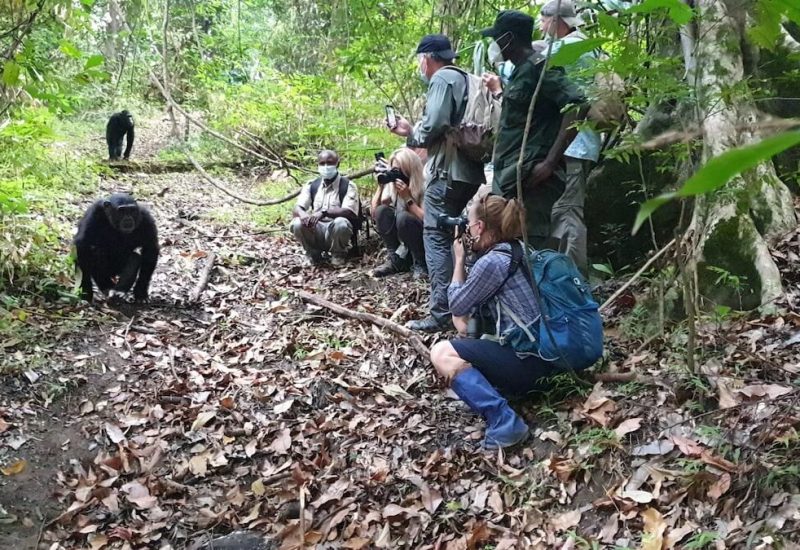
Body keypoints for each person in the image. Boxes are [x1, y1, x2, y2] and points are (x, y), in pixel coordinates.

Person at [430, 195, 550, 450]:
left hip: (531, 363)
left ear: (480, 227)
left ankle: (505, 422)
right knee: (464, 328)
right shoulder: (521, 249)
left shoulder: (493, 262)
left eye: (470, 223)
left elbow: (457, 305)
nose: (467, 228)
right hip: (553, 356)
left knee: (441, 352)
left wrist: (459, 259)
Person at [389, 34, 485, 333]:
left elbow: (435, 124)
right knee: (451, 233)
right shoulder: (468, 78)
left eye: (421, 60)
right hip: (469, 170)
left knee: (435, 236)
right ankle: (462, 302)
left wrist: (411, 132)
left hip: (448, 170)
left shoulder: (443, 78)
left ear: (427, 58)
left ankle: (442, 312)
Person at [481, 10, 586, 249]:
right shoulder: (520, 72)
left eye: (497, 38)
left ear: (508, 38)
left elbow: (578, 105)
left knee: (531, 243)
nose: (495, 44)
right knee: (511, 242)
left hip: (533, 179)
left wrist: (550, 162)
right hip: (512, 176)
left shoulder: (540, 68)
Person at [540, 0, 601, 274]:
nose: (541, 27)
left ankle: (575, 278)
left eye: (543, 20)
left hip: (573, 142)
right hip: (582, 142)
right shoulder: (590, 46)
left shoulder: (566, 48)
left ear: (555, 21)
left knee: (568, 211)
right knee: (563, 209)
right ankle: (561, 272)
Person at [289, 150, 359, 267]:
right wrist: (303, 214)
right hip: (316, 230)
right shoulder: (312, 185)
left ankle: (338, 254)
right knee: (296, 223)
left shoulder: (347, 186)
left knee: (341, 222)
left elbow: (349, 211)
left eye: (329, 163)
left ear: (337, 163)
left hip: (336, 233)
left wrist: (324, 213)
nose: (326, 167)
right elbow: (297, 207)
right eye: (322, 163)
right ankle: (312, 253)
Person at [371, 148, 427, 279]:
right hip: (403, 239)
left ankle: (420, 263)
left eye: (400, 170)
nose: (397, 173)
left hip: (422, 238)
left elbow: (427, 219)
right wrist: (381, 186)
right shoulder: (394, 184)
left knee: (404, 218)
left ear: (410, 168)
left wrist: (408, 198)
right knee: (382, 211)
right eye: (394, 169)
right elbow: (375, 213)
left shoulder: (425, 184)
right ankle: (397, 260)